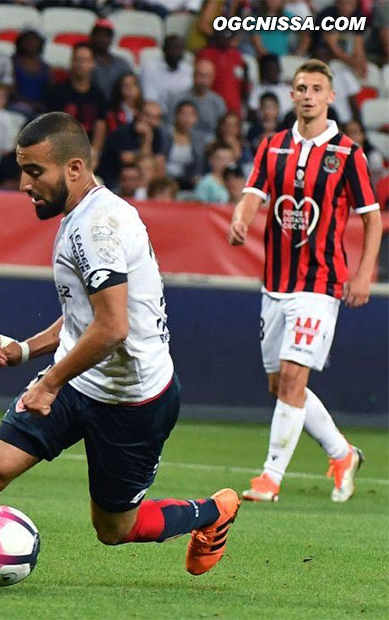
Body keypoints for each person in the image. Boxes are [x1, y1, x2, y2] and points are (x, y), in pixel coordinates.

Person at [0, 112, 240, 584]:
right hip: (79, 380)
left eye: (35, 172)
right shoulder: (83, 215)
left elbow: (113, 327)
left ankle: (211, 513)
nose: (23, 184)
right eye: (22, 170)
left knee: (115, 529)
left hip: (131, 399)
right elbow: (87, 316)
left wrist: (49, 383)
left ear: (74, 168)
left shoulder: (96, 228)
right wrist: (25, 350)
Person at [227, 59, 382, 503]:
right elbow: (253, 195)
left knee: (294, 378)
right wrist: (240, 220)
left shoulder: (347, 154)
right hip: (275, 283)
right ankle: (341, 453)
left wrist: (363, 273)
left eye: (317, 88)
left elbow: (372, 220)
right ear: (291, 95)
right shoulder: (272, 146)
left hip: (320, 284)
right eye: (301, 88)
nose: (308, 95)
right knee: (281, 387)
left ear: (330, 96)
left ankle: (269, 479)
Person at [46, 44, 107, 161]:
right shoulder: (58, 92)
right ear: (71, 62)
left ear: (92, 64)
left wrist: (94, 150)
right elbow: (53, 126)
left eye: (84, 60)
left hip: (88, 150)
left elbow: (100, 126)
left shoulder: (98, 95)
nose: (80, 64)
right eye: (77, 60)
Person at [165, 60, 227, 138]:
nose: (203, 81)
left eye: (207, 76)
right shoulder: (178, 99)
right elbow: (169, 126)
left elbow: (222, 131)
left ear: (213, 78)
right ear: (193, 76)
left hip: (210, 146)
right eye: (200, 75)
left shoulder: (218, 102)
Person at [140, 35, 192, 116]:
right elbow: (150, 100)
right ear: (163, 49)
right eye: (173, 47)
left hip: (181, 117)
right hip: (155, 115)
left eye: (179, 48)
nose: (176, 51)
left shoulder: (189, 71)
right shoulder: (150, 68)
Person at [163, 101, 207, 191]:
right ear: (176, 116)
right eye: (183, 114)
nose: (186, 118)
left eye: (191, 115)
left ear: (196, 118)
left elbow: (199, 164)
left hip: (188, 181)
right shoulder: (166, 134)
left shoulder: (200, 139)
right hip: (166, 178)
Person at [9, 28, 51, 119]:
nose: (30, 43)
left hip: (40, 106)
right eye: (27, 40)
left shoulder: (45, 67)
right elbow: (12, 90)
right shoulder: (13, 63)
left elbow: (50, 91)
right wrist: (30, 104)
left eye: (34, 41)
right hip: (18, 104)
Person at [88, 19, 132, 101]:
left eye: (106, 35)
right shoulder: (85, 63)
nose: (102, 38)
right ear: (92, 37)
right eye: (98, 34)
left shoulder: (122, 64)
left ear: (111, 39)